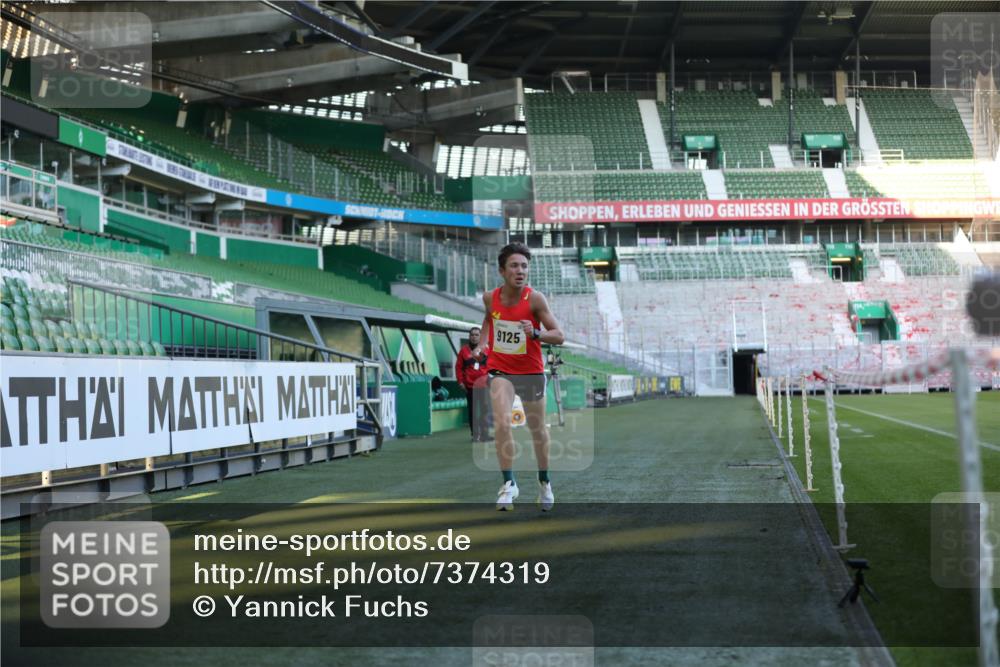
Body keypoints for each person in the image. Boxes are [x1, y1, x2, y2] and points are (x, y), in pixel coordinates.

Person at [474, 242, 565, 511]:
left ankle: (544, 481)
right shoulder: (490, 297)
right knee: (502, 422)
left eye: (524, 266)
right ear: (502, 270)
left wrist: (536, 333)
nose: (520, 270)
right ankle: (508, 483)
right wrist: (482, 344)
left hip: (531, 372)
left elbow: (559, 335)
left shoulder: (535, 299)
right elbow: (488, 322)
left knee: (537, 430)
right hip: (500, 369)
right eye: (514, 265)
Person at [455, 327, 490, 442]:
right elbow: (458, 367)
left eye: (476, 335)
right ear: (469, 337)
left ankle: (485, 435)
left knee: (485, 410)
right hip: (470, 386)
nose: (474, 337)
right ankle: (475, 435)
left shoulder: (486, 350)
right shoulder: (464, 351)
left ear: (480, 337)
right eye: (472, 335)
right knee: (473, 411)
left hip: (484, 386)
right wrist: (460, 382)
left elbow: (492, 366)